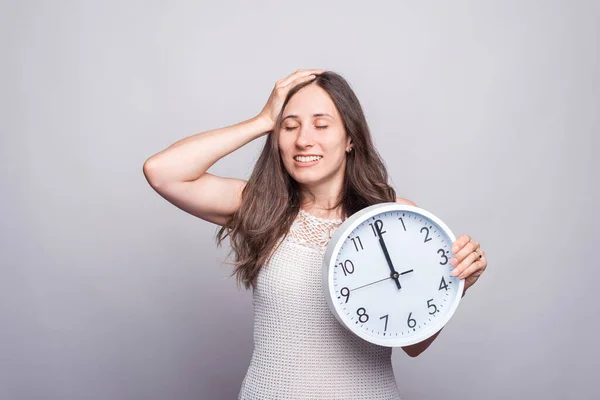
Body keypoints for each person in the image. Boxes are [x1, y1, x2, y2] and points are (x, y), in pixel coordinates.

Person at [143, 69, 488, 399]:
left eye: (321, 125)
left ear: (350, 138)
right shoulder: (260, 207)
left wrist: (458, 286)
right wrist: (263, 120)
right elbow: (162, 172)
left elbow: (412, 344)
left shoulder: (394, 218)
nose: (303, 140)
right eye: (289, 127)